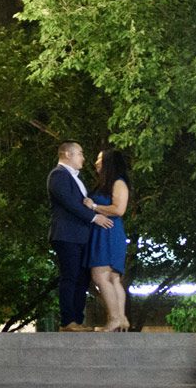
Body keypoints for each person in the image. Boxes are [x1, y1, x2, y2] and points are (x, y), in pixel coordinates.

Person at [47, 141, 114, 330]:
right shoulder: (58, 175)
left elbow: (79, 202)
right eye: (80, 154)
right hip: (66, 235)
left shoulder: (76, 178)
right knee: (70, 276)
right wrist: (94, 217)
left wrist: (90, 204)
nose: (83, 158)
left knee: (82, 279)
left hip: (81, 236)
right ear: (68, 154)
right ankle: (68, 320)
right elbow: (69, 203)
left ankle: (77, 318)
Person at [85, 146, 132, 331]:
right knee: (112, 278)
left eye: (99, 159)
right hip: (105, 232)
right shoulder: (108, 183)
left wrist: (94, 206)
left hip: (109, 232)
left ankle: (113, 319)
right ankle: (121, 319)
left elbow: (119, 209)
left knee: (100, 275)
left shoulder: (118, 182)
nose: (96, 162)